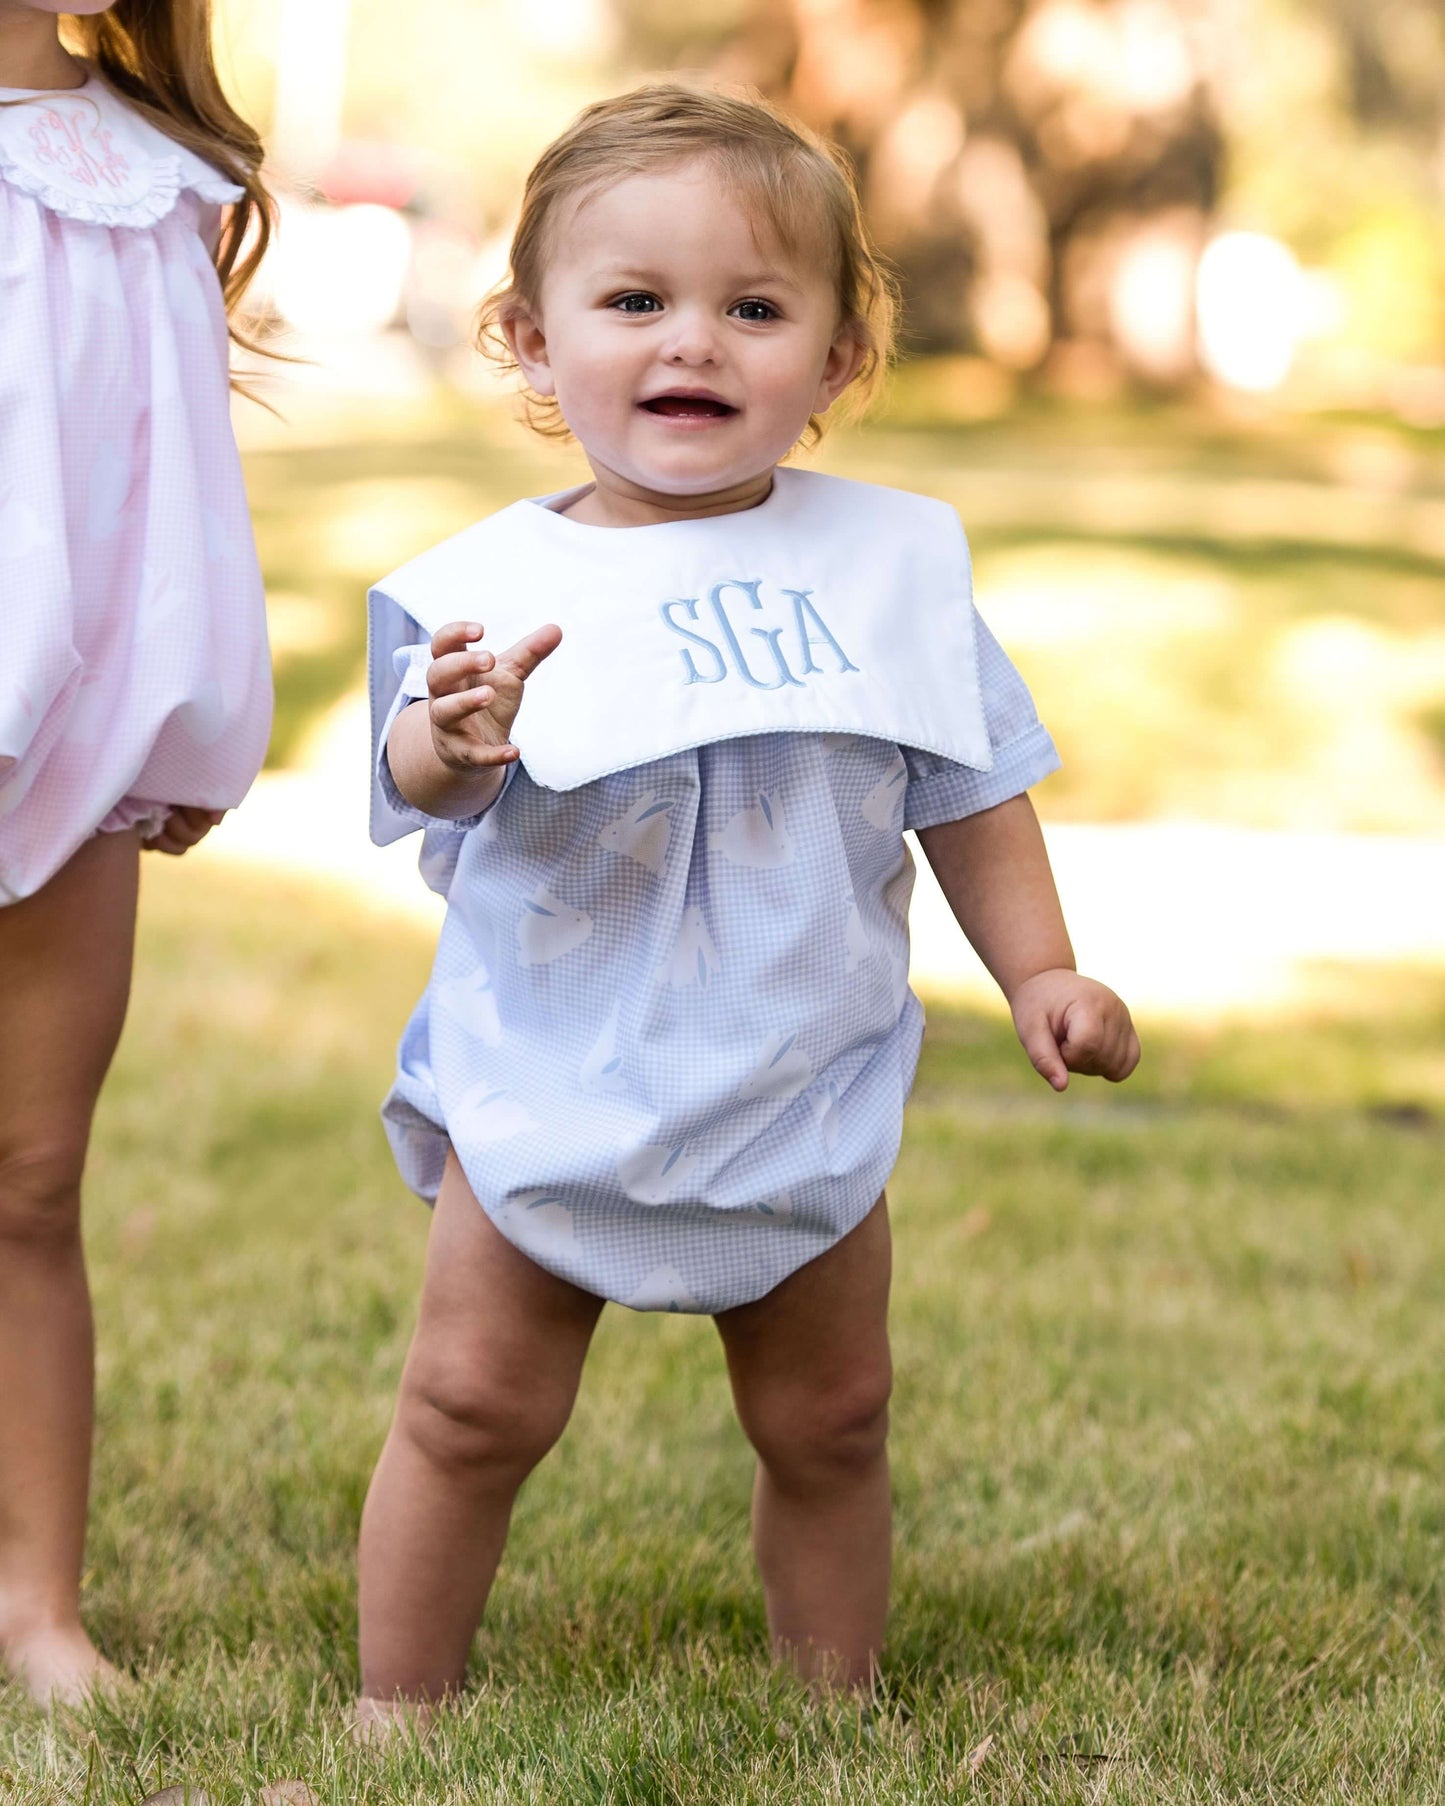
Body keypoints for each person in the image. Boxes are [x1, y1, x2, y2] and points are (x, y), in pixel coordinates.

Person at [359, 83, 1139, 1724]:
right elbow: (415, 778)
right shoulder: (486, 585)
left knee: (832, 1415)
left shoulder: (888, 570)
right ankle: (397, 1701)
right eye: (633, 301)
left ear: (840, 357)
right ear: (524, 333)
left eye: (753, 307)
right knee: (469, 1403)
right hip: (553, 1063)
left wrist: (1042, 971)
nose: (690, 343)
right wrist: (453, 733)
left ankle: (830, 1700)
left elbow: (971, 784)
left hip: (799, 1062)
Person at [0, 0, 273, 1702]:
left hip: (71, 736)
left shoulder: (150, 178)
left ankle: (35, 1604)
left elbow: (171, 486)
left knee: (28, 1172)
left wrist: (183, 720)